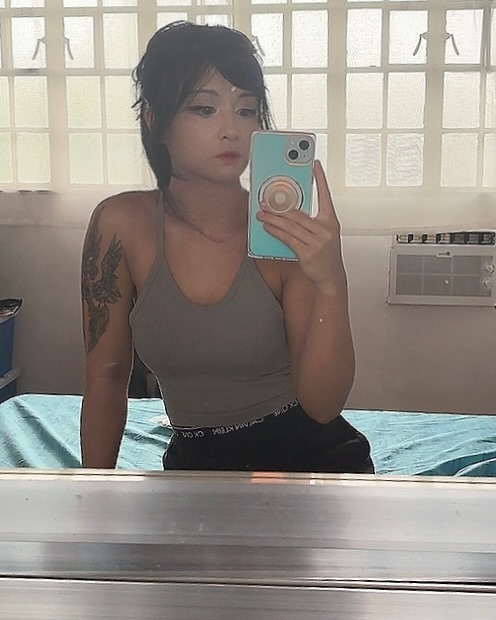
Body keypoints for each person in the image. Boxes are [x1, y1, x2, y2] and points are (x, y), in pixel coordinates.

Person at [80, 20, 373, 473]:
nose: (231, 129)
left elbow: (322, 405)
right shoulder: (120, 225)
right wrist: (92, 494)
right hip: (194, 464)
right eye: (204, 108)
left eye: (246, 110)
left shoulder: (280, 231)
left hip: (308, 460)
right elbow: (106, 375)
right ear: (155, 121)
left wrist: (331, 281)